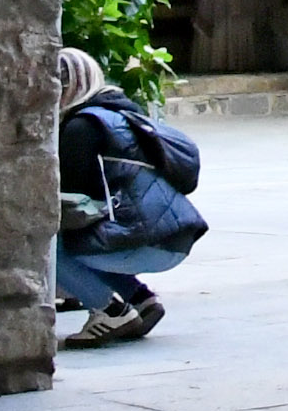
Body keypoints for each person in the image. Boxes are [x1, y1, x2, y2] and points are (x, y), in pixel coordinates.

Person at [51, 47, 203, 348]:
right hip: (172, 236)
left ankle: (110, 310)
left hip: (141, 240)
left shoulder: (81, 128)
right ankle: (140, 300)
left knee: (49, 244)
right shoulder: (119, 113)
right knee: (83, 234)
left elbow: (72, 202)